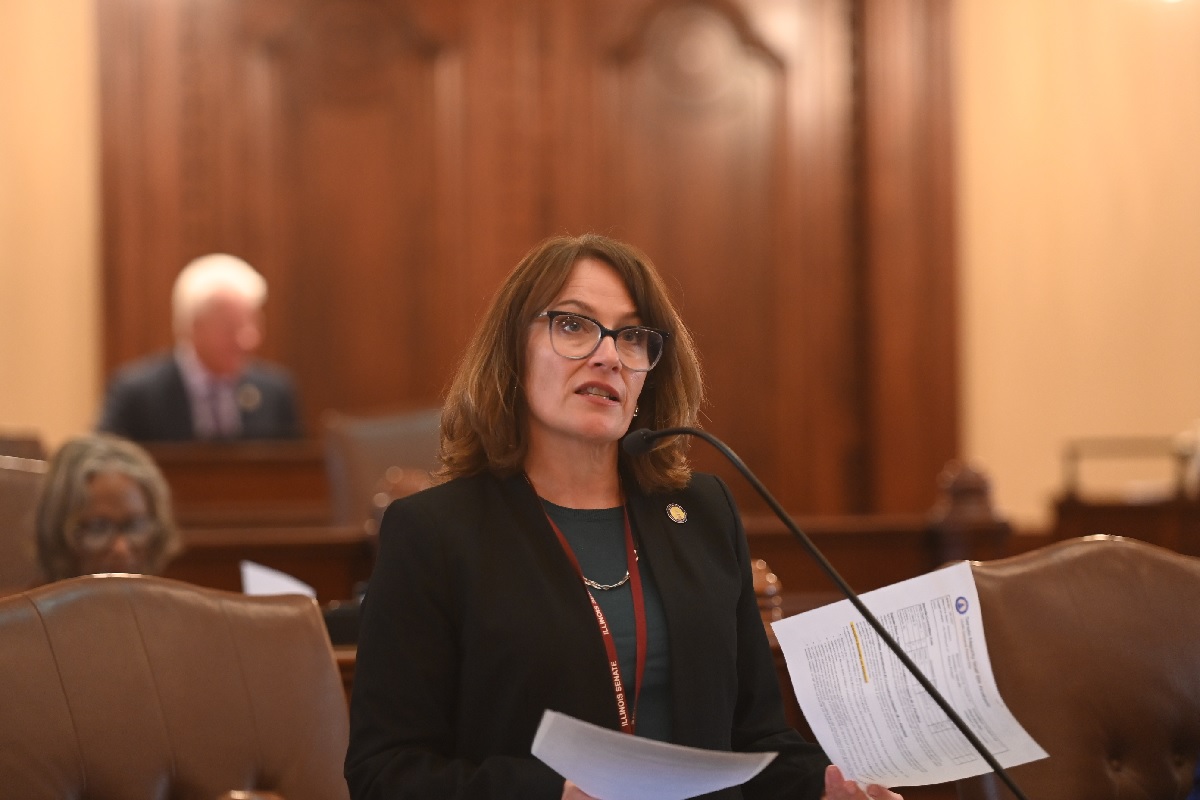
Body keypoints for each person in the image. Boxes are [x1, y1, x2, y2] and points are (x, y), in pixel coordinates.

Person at [344, 233, 903, 800]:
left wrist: (823, 787)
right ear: (512, 352)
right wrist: (549, 795)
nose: (609, 356)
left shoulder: (703, 512)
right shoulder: (434, 534)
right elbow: (384, 772)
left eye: (633, 337)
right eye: (573, 325)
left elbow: (755, 739)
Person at [97, 253, 302, 441]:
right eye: (230, 327)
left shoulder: (275, 392)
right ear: (193, 327)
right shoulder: (138, 394)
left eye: (252, 324)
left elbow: (294, 466)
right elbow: (100, 460)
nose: (247, 339)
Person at [35, 433, 182, 581]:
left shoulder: (172, 596)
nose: (121, 549)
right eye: (98, 528)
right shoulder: (34, 597)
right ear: (59, 534)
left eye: (135, 526)